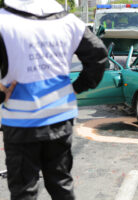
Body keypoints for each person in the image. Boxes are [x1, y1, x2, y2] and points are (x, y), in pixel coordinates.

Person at [0, 0, 108, 200]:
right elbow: (99, 56)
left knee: (24, 190)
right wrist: (77, 88)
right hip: (60, 116)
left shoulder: (4, 22)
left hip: (21, 122)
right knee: (61, 185)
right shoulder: (69, 22)